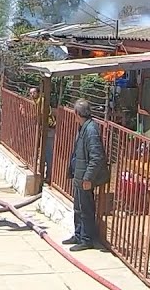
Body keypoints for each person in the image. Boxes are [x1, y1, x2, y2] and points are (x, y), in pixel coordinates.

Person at [64, 98, 107, 252]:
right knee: (78, 208)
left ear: (77, 113)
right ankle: (78, 235)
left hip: (84, 177)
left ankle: (86, 239)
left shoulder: (91, 130)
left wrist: (88, 177)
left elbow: (97, 157)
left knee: (86, 209)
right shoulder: (83, 127)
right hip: (79, 175)